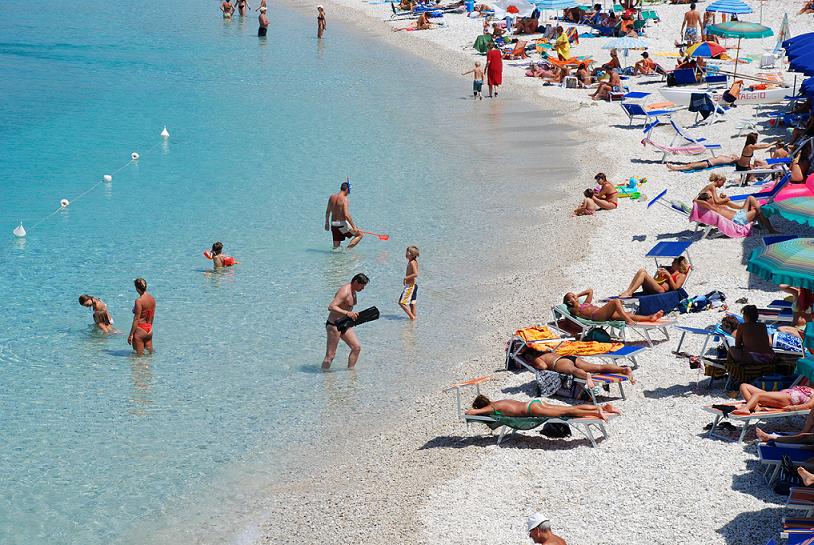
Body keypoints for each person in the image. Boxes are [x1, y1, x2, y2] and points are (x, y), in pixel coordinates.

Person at [520, 347, 636, 388]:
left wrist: (532, 363)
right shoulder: (545, 351)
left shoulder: (536, 358)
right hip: (569, 357)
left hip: (559, 362)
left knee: (573, 370)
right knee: (598, 367)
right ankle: (623, 369)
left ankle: (587, 376)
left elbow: (543, 366)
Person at [323, 273, 369, 369]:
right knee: (330, 355)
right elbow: (331, 307)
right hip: (334, 325)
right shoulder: (345, 291)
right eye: (362, 286)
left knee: (356, 348)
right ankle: (325, 379)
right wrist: (346, 313)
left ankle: (350, 374)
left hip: (345, 324)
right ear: (356, 282)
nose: (363, 289)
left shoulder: (353, 290)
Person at [465, 394, 620, 421]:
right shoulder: (500, 401)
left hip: (532, 410)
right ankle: (602, 407)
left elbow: (473, 412)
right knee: (563, 408)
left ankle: (599, 412)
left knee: (567, 411)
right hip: (535, 403)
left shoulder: (492, 407)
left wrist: (469, 412)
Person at [563, 289, 665, 324]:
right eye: (571, 296)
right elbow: (570, 312)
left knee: (627, 314)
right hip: (596, 316)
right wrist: (572, 302)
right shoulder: (574, 309)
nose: (574, 296)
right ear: (569, 302)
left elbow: (590, 290)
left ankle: (650, 318)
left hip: (602, 313)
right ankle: (627, 320)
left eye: (574, 294)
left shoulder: (585, 303)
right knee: (616, 301)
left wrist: (577, 295)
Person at [694, 191, 776, 232]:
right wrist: (699, 198)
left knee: (750, 198)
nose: (712, 198)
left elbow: (727, 203)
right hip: (737, 220)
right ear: (706, 201)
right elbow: (695, 200)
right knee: (758, 210)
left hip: (739, 214)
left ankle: (762, 223)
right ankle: (770, 230)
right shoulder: (710, 207)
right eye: (710, 197)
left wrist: (723, 198)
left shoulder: (715, 205)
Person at [618, 256, 690, 298]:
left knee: (643, 274)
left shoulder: (681, 275)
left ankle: (629, 293)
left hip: (661, 291)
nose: (672, 263)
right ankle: (628, 291)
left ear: (679, 265)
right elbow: (656, 279)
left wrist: (669, 276)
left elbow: (675, 289)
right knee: (642, 270)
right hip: (655, 287)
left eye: (674, 262)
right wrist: (658, 273)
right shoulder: (669, 269)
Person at [325, 180, 363, 249]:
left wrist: (327, 223)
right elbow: (346, 215)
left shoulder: (331, 197)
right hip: (342, 225)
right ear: (347, 189)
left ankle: (336, 259)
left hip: (333, 224)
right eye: (349, 190)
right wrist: (354, 227)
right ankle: (347, 251)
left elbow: (327, 211)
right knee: (359, 235)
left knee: (336, 248)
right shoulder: (344, 199)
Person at [739, 381, 814, 413]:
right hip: (781, 395)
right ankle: (755, 407)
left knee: (758, 395)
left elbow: (808, 405)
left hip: (788, 398)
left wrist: (794, 408)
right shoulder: (809, 385)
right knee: (744, 386)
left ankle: (746, 408)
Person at [128, 278, 155, 355]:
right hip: (149, 330)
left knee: (138, 358)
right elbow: (152, 316)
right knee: (150, 355)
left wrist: (130, 335)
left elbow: (136, 319)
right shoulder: (152, 299)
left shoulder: (139, 301)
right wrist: (149, 327)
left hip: (140, 329)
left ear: (137, 288)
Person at [398, 246, 420, 320]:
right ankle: (414, 320)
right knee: (412, 303)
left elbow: (416, 274)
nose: (407, 253)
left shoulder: (412, 263)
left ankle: (412, 317)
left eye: (409, 252)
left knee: (401, 303)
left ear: (413, 255)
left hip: (410, 286)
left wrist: (405, 278)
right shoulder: (412, 262)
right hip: (413, 285)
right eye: (407, 251)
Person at [666, 154, 739, 171]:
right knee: (690, 164)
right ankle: (676, 167)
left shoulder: (731, 160)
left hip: (708, 164)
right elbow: (734, 155)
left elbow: (740, 159)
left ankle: (675, 168)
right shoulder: (729, 158)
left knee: (691, 167)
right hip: (707, 161)